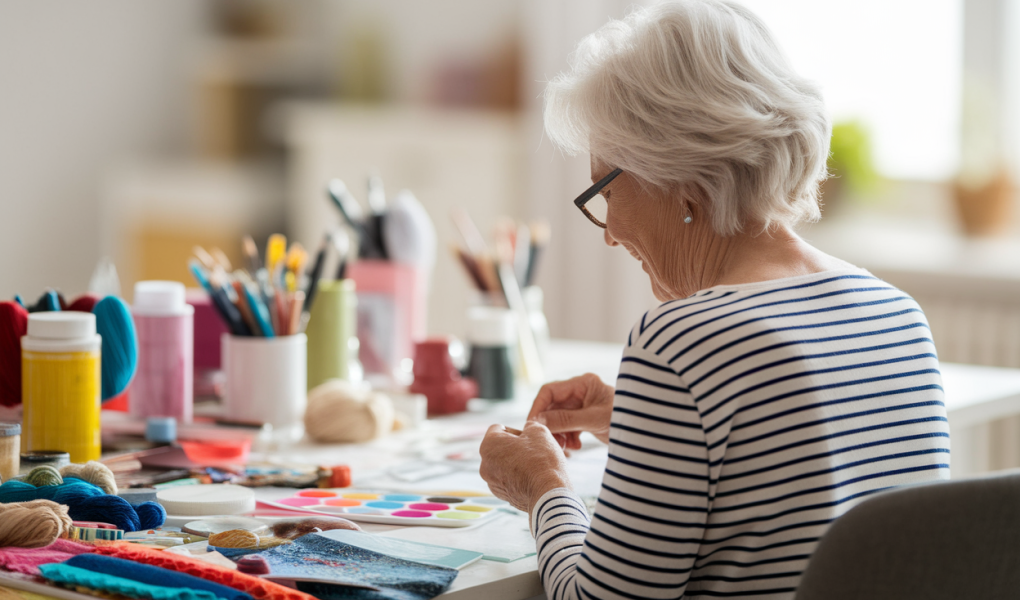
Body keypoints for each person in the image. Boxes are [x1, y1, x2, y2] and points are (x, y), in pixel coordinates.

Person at [477, 1, 950, 598]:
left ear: (678, 177)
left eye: (606, 190)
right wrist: (646, 421)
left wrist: (544, 487)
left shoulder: (681, 343)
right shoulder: (898, 316)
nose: (609, 232)